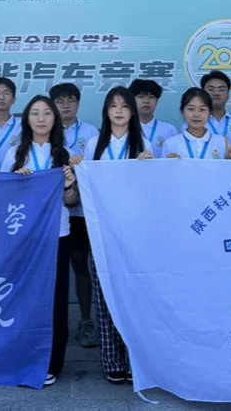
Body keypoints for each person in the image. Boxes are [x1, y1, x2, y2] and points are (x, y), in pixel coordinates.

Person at [78, 87, 154, 384]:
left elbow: (152, 190)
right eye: (113, 106)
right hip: (101, 232)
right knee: (104, 297)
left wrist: (149, 166)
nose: (119, 111)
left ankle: (135, 359)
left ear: (132, 111)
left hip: (134, 235)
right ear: (106, 111)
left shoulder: (143, 143)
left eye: (124, 106)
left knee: (134, 298)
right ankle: (112, 360)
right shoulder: (94, 144)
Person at [1, 95, 78, 387]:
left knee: (55, 300)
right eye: (35, 113)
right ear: (27, 120)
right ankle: (21, 357)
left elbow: (72, 201)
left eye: (47, 113)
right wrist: (16, 182)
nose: (41, 118)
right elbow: (2, 196)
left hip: (57, 235)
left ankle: (51, 362)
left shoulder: (65, 154)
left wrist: (68, 186)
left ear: (55, 119)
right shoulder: (15, 154)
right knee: (23, 297)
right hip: (24, 237)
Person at [48, 82, 99, 348]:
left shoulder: (91, 133)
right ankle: (52, 324)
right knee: (54, 270)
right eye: (60, 101)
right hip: (52, 213)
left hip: (82, 211)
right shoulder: (46, 131)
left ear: (78, 103)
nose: (66, 105)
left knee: (82, 265)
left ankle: (87, 321)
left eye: (71, 100)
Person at [164, 88, 231, 160]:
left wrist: (229, 161)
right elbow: (162, 167)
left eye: (202, 109)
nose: (196, 114)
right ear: (182, 111)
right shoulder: (170, 144)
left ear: (210, 113)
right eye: (191, 109)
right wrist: (171, 163)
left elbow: (228, 167)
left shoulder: (221, 142)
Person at [194, 71, 231, 143]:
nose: (216, 93)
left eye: (221, 89)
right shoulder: (193, 121)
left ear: (228, 94)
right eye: (211, 89)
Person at [128, 78, 178, 158]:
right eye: (140, 96)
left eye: (151, 97)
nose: (146, 101)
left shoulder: (169, 130)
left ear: (157, 101)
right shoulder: (126, 129)